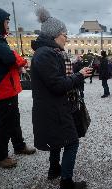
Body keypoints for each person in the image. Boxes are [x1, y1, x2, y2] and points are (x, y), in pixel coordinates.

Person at [31, 7, 92, 189]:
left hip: (53, 107)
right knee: (71, 142)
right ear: (56, 35)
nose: (67, 38)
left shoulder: (46, 52)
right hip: (54, 108)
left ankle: (54, 169)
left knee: (57, 140)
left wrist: (75, 75)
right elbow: (57, 85)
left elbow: (56, 79)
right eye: (65, 35)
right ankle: (66, 182)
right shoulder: (46, 54)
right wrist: (79, 75)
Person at [0, 5, 36, 168]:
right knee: (6, 122)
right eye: (6, 22)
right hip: (1, 87)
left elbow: (8, 54)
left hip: (6, 86)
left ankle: (19, 146)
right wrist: (23, 61)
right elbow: (9, 56)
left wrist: (17, 59)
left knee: (13, 118)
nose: (8, 26)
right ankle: (1, 156)